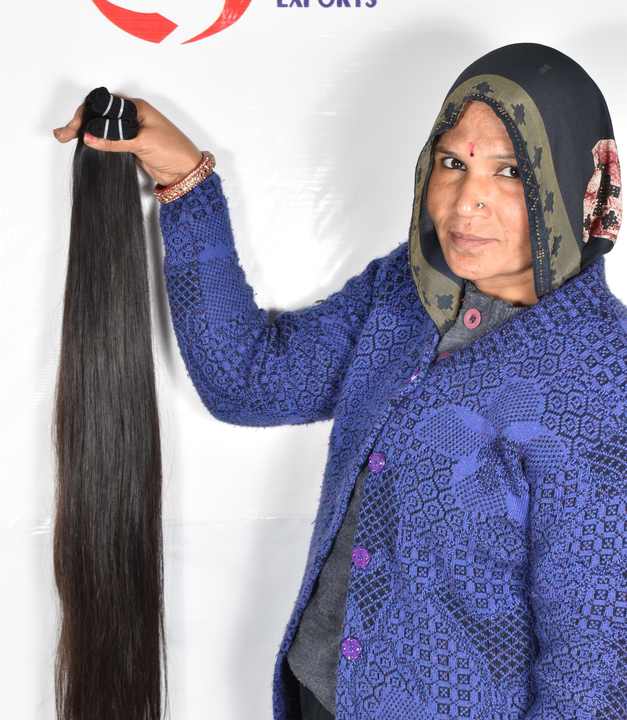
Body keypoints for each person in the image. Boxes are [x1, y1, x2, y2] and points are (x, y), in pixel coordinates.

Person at [53, 42, 626, 720]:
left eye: (509, 171)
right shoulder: (406, 292)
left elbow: (593, 667)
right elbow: (248, 382)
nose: (467, 202)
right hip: (319, 694)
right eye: (452, 163)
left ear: (577, 185)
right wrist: (185, 181)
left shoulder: (599, 377)